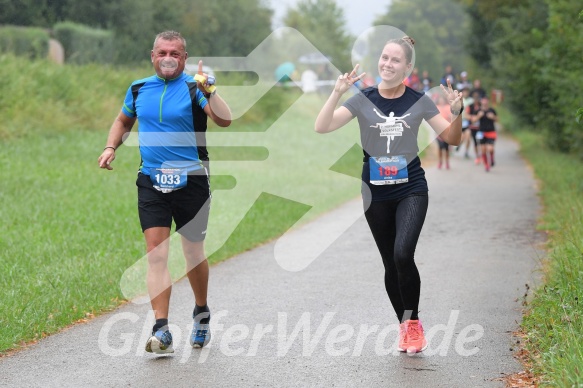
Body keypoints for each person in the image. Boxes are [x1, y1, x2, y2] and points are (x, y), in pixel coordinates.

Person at [315, 36, 463, 353]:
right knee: (390, 264)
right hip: (374, 193)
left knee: (402, 254)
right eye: (384, 58)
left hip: (411, 188)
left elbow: (452, 139)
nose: (388, 64)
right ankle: (405, 326)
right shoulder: (362, 99)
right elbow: (322, 127)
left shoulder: (419, 100)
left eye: (396, 60)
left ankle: (413, 324)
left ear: (408, 67)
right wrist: (337, 92)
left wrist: (457, 112)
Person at [97, 31, 232, 354]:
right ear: (152, 55)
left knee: (191, 252)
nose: (167, 57)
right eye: (162, 52)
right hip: (151, 180)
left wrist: (210, 90)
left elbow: (224, 120)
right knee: (155, 252)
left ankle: (201, 312)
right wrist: (110, 146)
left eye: (174, 52)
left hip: (192, 181)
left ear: (184, 58)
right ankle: (162, 329)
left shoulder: (194, 88)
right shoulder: (138, 88)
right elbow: (122, 120)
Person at [473, 96, 498, 172]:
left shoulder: (492, 110)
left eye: (486, 100)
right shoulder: (478, 111)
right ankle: (486, 165)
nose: (485, 102)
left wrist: (493, 117)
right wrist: (478, 116)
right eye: (483, 100)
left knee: (490, 148)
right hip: (481, 132)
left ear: (488, 101)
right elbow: (473, 121)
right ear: (481, 101)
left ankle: (492, 158)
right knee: (483, 150)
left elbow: (497, 119)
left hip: (491, 131)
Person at [434, 94, 452, 169]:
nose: (441, 101)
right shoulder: (436, 108)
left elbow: (452, 117)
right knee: (440, 148)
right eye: (440, 100)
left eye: (442, 100)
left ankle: (447, 162)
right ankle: (440, 162)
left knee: (446, 148)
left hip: (447, 130)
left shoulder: (448, 107)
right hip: (438, 131)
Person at [468, 91, 482, 164]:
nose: (476, 99)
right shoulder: (470, 106)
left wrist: (477, 118)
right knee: (475, 142)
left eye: (477, 98)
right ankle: (477, 156)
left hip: (481, 127)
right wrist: (472, 118)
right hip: (473, 127)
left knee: (481, 142)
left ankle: (482, 155)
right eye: (475, 98)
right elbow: (467, 115)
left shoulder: (481, 106)